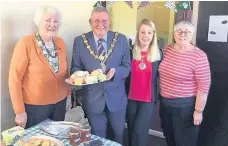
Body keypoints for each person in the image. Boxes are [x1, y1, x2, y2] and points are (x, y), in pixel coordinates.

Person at [70, 6, 131, 144]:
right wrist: (84, 75)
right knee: (99, 139)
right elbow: (74, 67)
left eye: (104, 20)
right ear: (90, 21)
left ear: (110, 22)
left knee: (118, 136)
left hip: (117, 99)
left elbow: (127, 67)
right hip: (93, 100)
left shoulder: (121, 40)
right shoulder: (79, 41)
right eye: (96, 20)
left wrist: (115, 72)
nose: (100, 24)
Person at [8, 6, 72, 129]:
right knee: (36, 140)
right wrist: (19, 111)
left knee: (56, 139)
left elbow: (65, 73)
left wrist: (68, 95)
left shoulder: (60, 42)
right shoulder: (25, 43)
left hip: (60, 104)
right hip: (35, 107)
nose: (52, 24)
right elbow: (14, 79)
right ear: (38, 22)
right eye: (48, 20)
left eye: (56, 21)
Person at [159, 21, 211, 146]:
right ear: (174, 33)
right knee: (169, 137)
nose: (182, 34)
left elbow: (203, 87)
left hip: (185, 108)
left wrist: (198, 111)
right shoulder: (167, 49)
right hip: (165, 105)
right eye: (179, 31)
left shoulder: (199, 56)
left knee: (185, 142)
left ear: (192, 34)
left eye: (187, 31)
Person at [126, 18, 161, 146]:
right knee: (131, 130)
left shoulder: (158, 54)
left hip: (148, 100)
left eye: (149, 32)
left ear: (153, 35)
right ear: (138, 33)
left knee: (140, 132)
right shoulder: (129, 52)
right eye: (143, 32)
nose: (146, 36)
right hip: (130, 99)